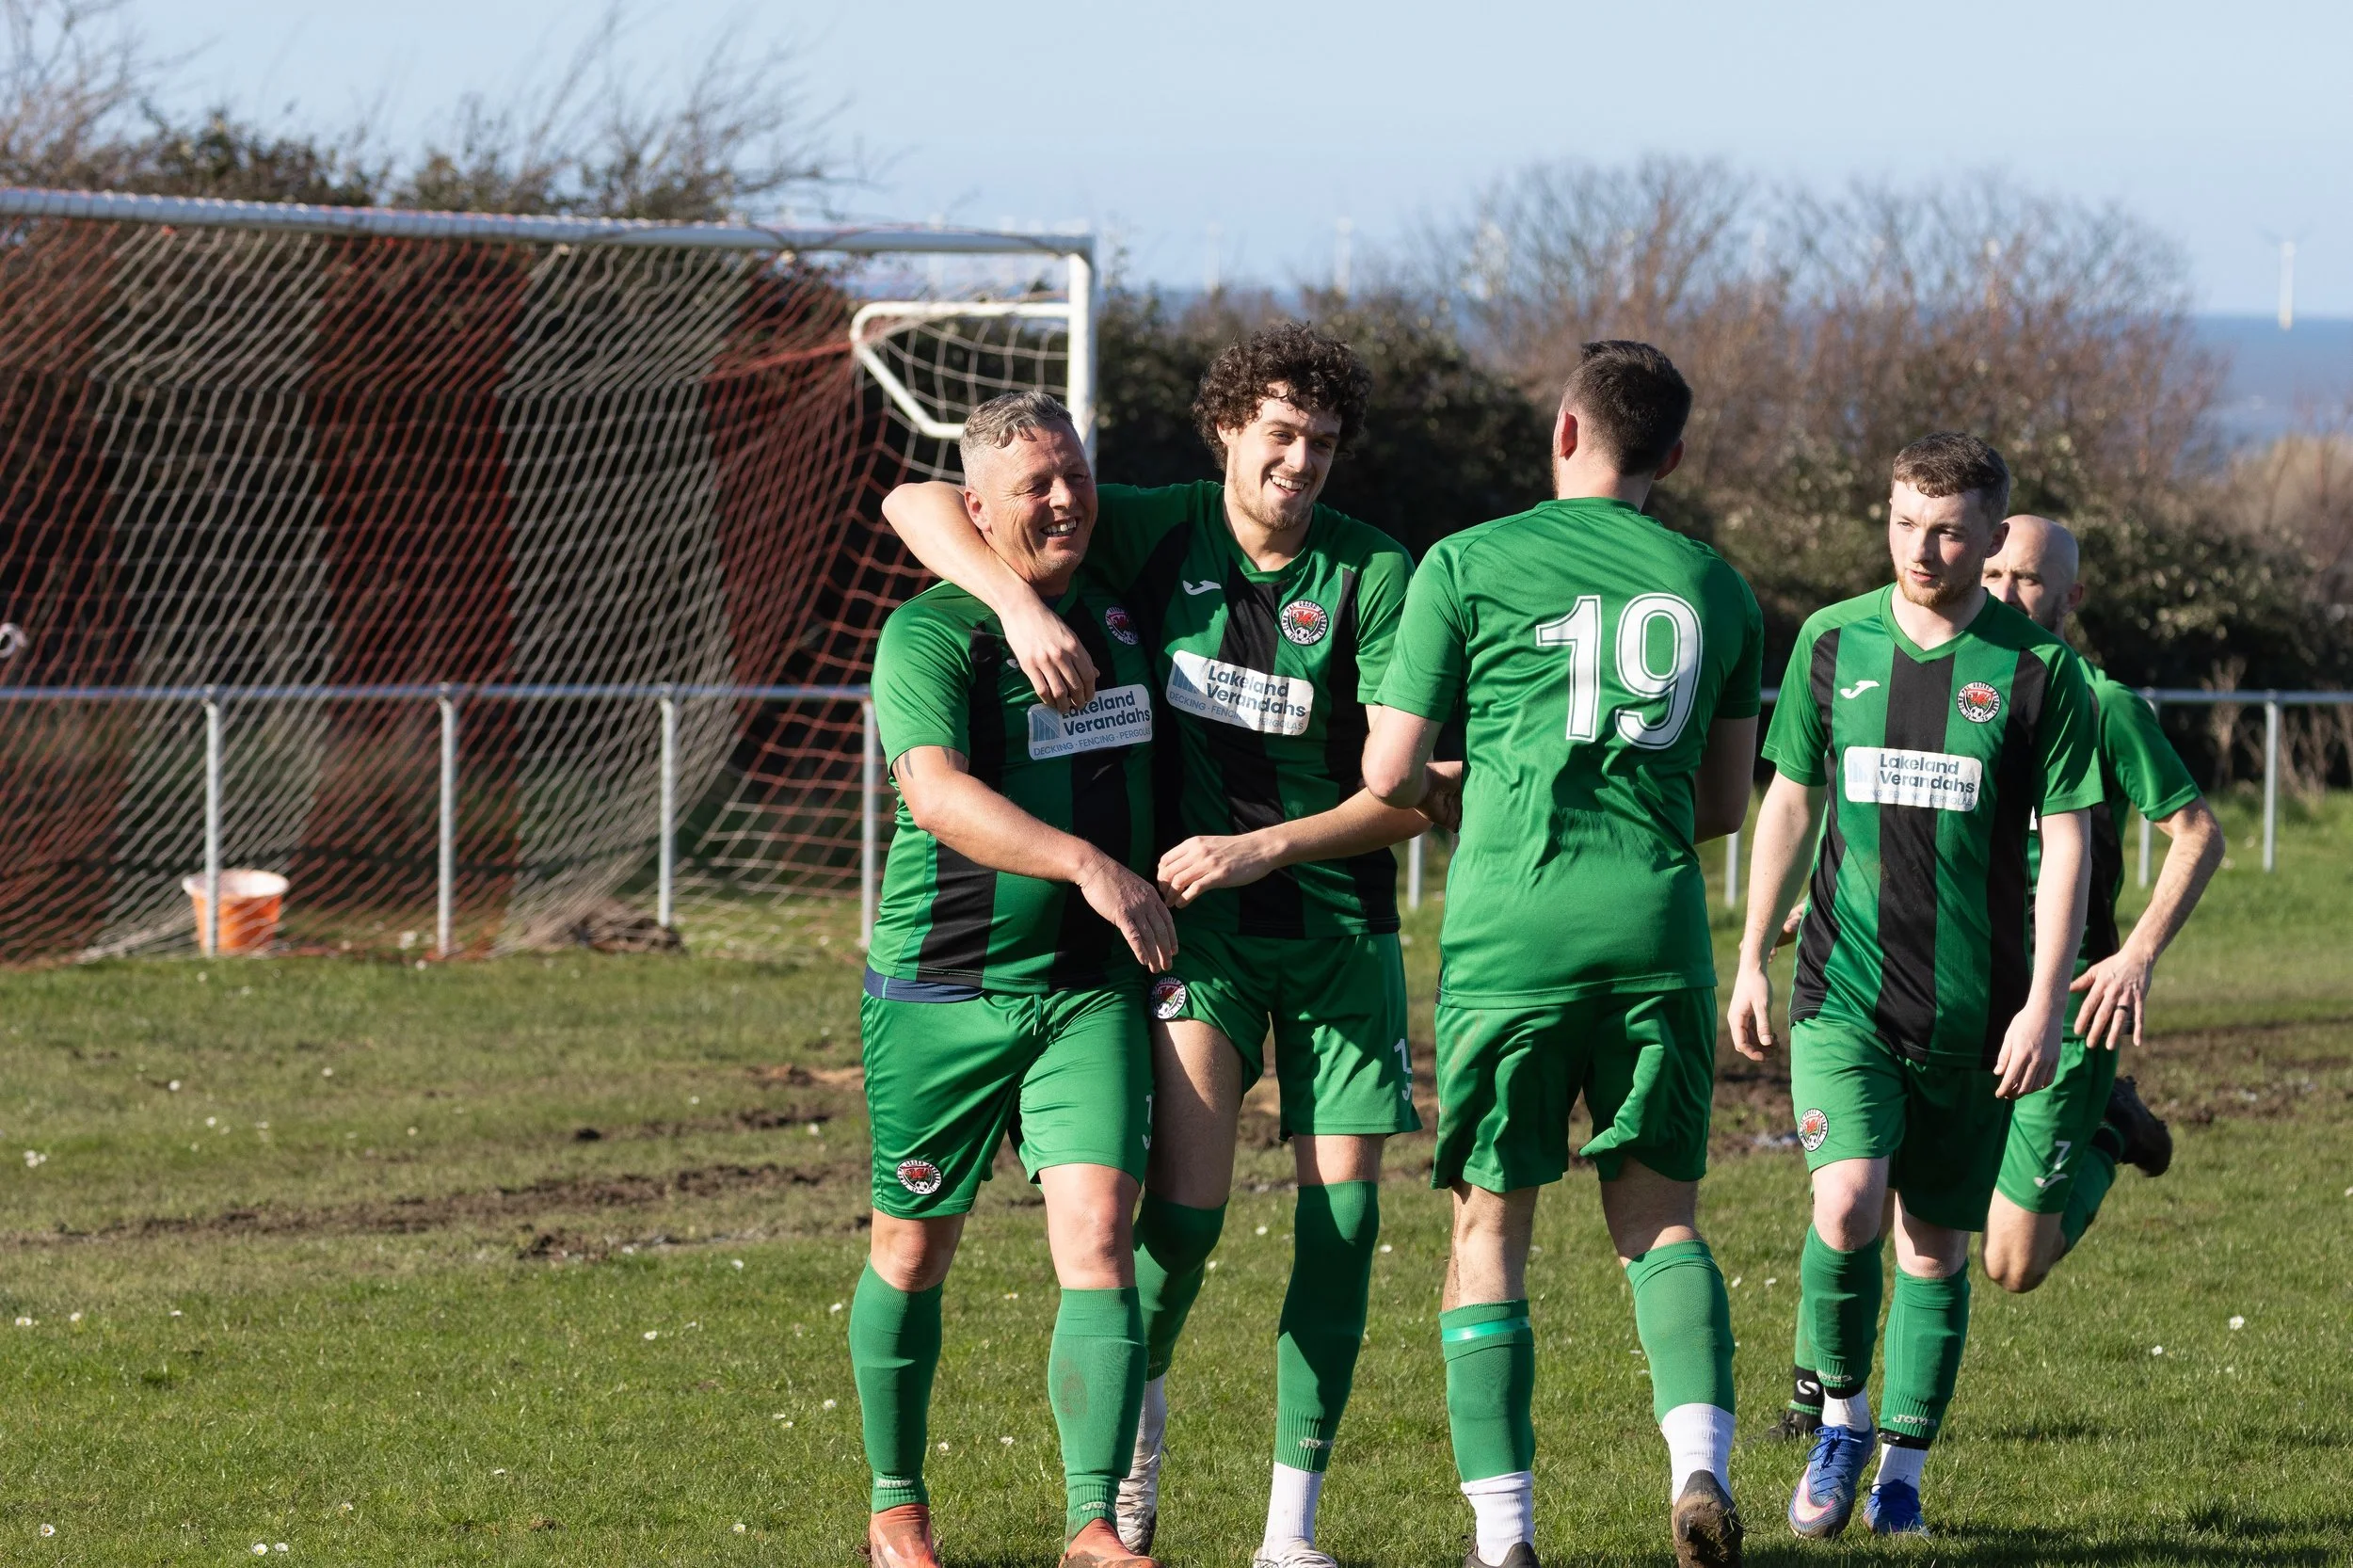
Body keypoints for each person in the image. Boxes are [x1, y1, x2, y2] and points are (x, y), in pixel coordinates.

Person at [882, 323, 1452, 1568]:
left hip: (1340, 929)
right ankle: (1127, 1465)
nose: (1300, 461)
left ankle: (1289, 1531)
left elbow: (1413, 792)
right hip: (1196, 947)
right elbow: (922, 497)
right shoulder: (1159, 526)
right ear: (1229, 432)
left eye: (1323, 442)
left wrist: (1266, 846)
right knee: (1178, 1226)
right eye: (1280, 435)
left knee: (1342, 1224)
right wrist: (1010, 600)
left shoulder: (1377, 573)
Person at [1363, 340, 1763, 1568]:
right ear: (1676, 457)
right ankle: (1698, 1460)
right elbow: (1724, 801)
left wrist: (1448, 790)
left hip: (1511, 932)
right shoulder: (1719, 586)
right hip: (1651, 927)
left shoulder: (1468, 564)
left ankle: (1505, 1538)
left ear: (1564, 431)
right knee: (1662, 1225)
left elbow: (1385, 774)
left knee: (1490, 1233)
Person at [1727, 435, 2102, 1542]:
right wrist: (1750, 951)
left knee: (1934, 1250)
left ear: (1993, 538)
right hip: (1842, 991)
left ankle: (1904, 1469)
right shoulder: (1831, 642)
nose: (1921, 548)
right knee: (1843, 1204)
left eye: (1946, 529)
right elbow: (1790, 799)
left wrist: (2042, 1003)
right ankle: (1841, 1420)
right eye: (1902, 522)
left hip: (1975, 1011)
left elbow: (2068, 846)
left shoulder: (2042, 673)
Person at [852, 391, 1171, 1568]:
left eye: (1073, 474)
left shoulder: (1126, 603)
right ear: (976, 512)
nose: (1063, 498)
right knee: (912, 1249)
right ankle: (897, 1508)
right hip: (941, 991)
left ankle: (1091, 1524)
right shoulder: (931, 635)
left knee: (1096, 1236)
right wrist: (1089, 862)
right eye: (1033, 484)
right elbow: (934, 796)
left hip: (1087, 991)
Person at [1978, 516, 2222, 1290]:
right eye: (1991, 576)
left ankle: (2113, 1128)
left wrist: (2138, 954)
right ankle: (1826, 1392)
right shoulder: (1951, 688)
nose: (2005, 595)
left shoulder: (2104, 704)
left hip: (2072, 995)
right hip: (1960, 980)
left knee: (2014, 1265)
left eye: (2028, 579)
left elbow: (2198, 834)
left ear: (2070, 595)